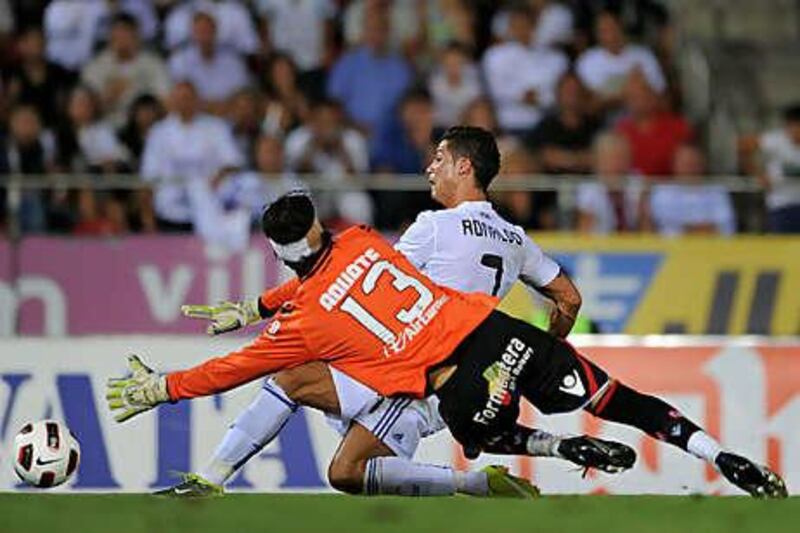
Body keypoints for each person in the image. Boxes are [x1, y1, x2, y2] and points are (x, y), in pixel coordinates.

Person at [107, 129, 788, 499]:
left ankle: (496, 471)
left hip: (420, 368)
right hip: (501, 344)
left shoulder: (428, 229)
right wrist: (544, 351)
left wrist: (235, 327)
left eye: (438, 160)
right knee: (608, 400)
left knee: (337, 454)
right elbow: (570, 299)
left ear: (462, 168)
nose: (430, 168)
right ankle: (715, 455)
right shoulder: (514, 237)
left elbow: (352, 287)